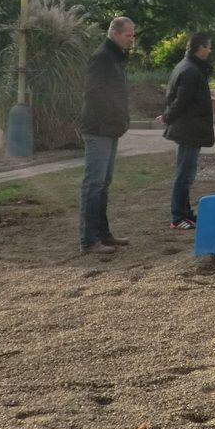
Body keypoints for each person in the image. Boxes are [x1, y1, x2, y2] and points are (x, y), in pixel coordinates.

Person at [78, 16, 135, 254]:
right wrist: (113, 114)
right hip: (99, 128)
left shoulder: (113, 57)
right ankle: (89, 240)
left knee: (103, 184)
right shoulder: (102, 57)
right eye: (128, 35)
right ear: (114, 33)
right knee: (94, 184)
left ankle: (103, 234)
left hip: (109, 128)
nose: (132, 39)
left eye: (132, 35)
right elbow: (93, 93)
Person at [157, 32, 214, 230]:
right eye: (208, 46)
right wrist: (167, 117)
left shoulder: (185, 65)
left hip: (188, 128)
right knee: (184, 175)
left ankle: (185, 212)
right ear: (200, 47)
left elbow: (176, 98)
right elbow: (181, 100)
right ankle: (178, 216)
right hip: (189, 129)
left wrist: (167, 116)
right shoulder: (191, 70)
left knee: (186, 174)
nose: (210, 50)